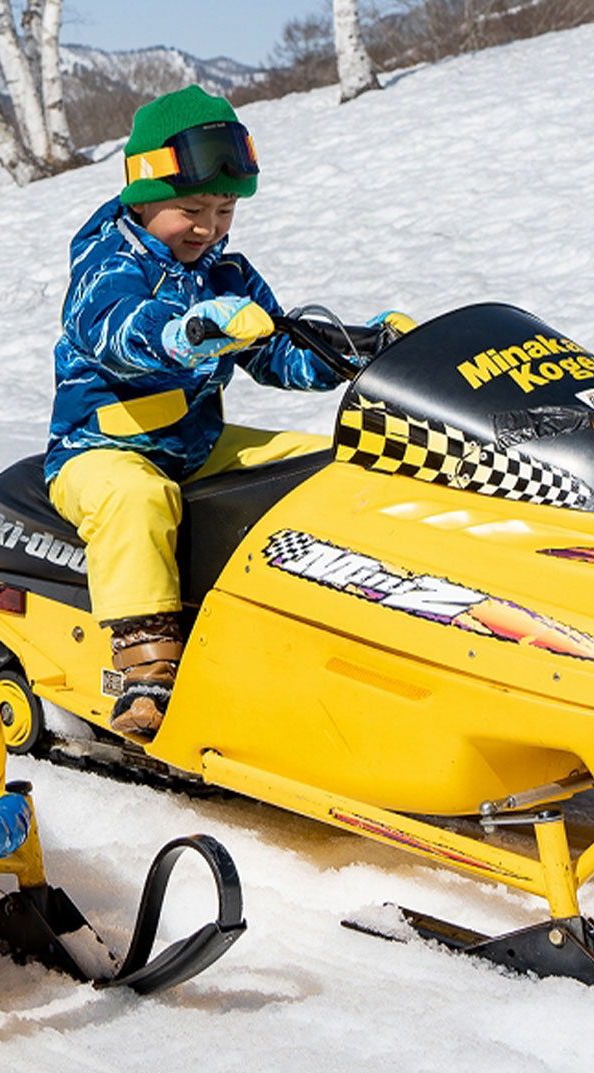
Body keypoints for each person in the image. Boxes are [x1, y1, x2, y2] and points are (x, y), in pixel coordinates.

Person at [47, 86, 403, 744]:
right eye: (192, 209)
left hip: (197, 444)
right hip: (100, 450)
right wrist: (188, 331)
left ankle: (323, 616)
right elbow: (118, 334)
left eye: (225, 208)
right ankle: (145, 667)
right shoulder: (107, 264)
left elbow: (275, 350)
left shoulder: (224, 272)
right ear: (142, 195)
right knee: (136, 499)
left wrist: (360, 352)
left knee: (313, 463)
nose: (209, 227)